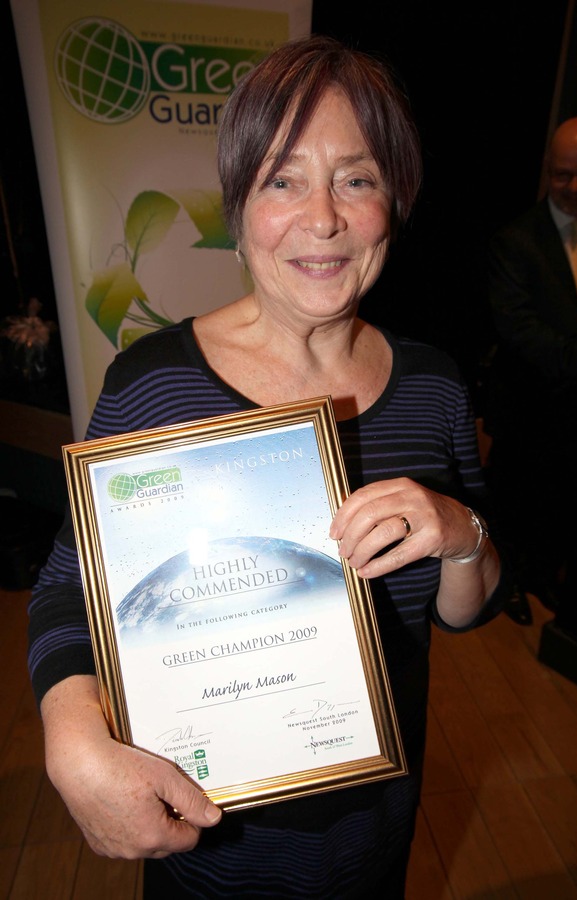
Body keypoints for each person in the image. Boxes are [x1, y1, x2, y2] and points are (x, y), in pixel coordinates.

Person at [28, 35, 508, 898]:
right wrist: (71, 739)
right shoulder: (156, 385)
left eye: (356, 179)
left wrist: (461, 534)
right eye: (283, 180)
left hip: (379, 818)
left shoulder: (433, 383)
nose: (323, 218)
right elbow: (71, 586)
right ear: (238, 207)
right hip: (212, 833)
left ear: (393, 203)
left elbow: (465, 614)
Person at [484, 115, 577, 629]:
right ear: (548, 171)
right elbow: (517, 329)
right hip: (530, 401)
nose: (575, 187)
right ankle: (505, 584)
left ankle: (545, 575)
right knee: (513, 501)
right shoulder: (516, 240)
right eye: (563, 175)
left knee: (568, 500)